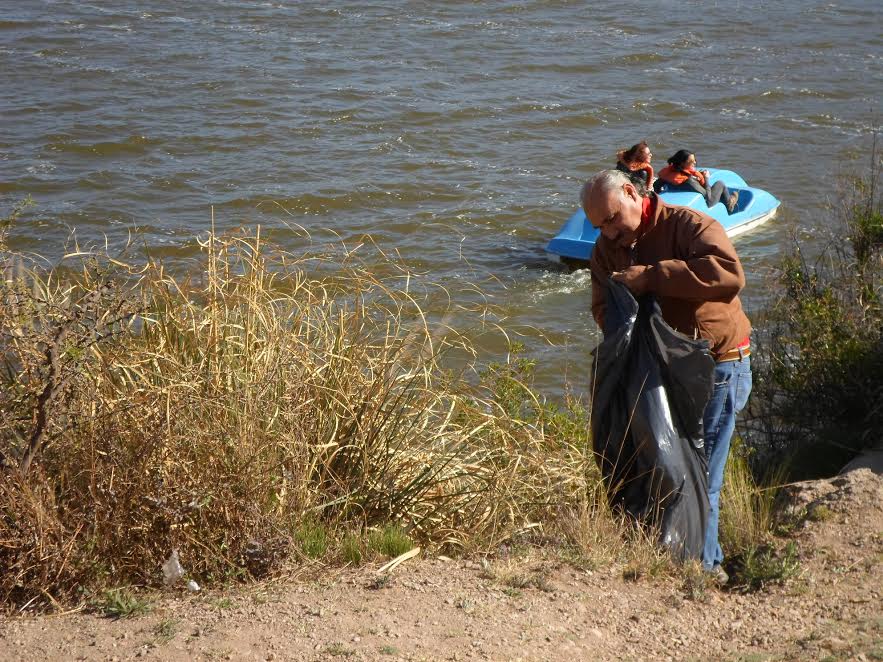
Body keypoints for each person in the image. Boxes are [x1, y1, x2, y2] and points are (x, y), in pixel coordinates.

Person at [583, 169, 752, 584]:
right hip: (658, 375)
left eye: (610, 219)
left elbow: (728, 274)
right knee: (667, 470)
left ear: (630, 192)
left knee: (702, 475)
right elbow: (604, 309)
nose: (607, 232)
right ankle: (690, 559)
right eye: (598, 226)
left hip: (717, 365)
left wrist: (654, 276)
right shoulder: (607, 250)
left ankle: (703, 573)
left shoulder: (689, 225)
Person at [654, 149, 739, 214]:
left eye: (694, 160)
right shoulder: (689, 181)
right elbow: (708, 198)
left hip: (680, 196)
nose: (694, 162)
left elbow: (656, 185)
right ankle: (730, 205)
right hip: (708, 202)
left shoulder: (668, 173)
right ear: (682, 164)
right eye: (691, 161)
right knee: (720, 183)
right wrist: (705, 178)